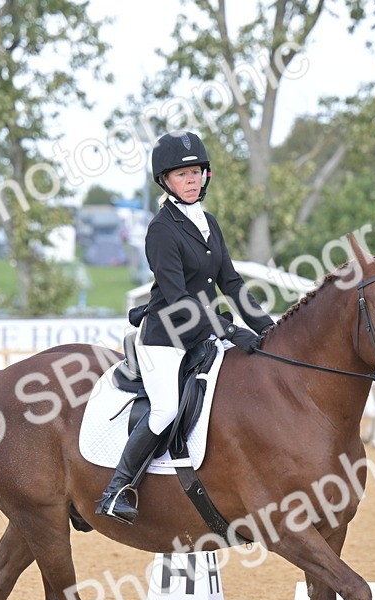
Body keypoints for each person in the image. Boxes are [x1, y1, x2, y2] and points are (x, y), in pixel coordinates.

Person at [95, 131, 275, 524]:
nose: (191, 180)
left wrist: (268, 329)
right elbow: (178, 297)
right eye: (182, 175)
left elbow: (232, 283)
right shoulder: (161, 229)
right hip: (166, 337)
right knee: (164, 409)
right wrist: (229, 330)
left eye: (196, 172)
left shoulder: (207, 222)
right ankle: (116, 490)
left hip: (204, 333)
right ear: (166, 181)